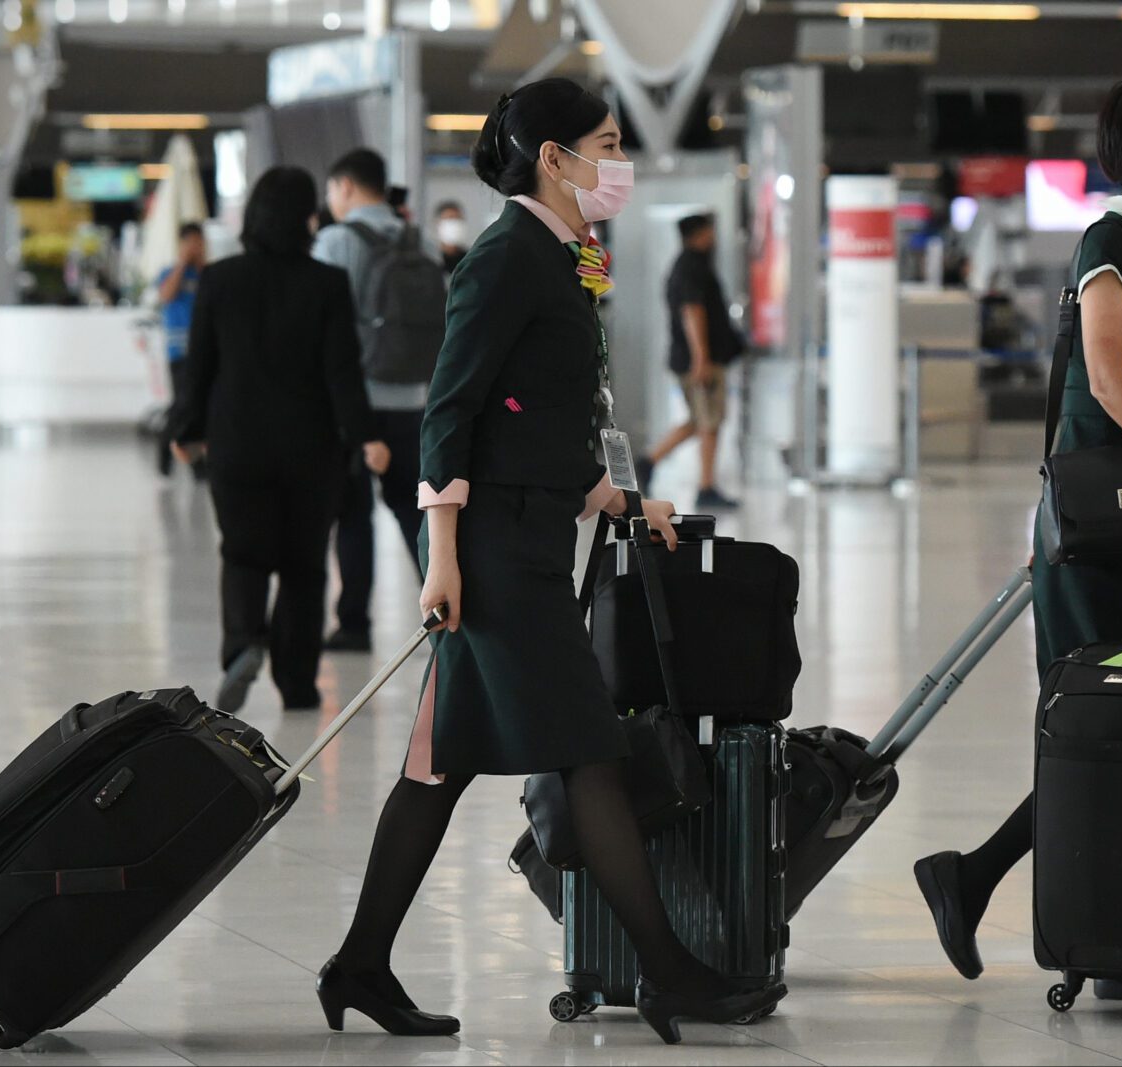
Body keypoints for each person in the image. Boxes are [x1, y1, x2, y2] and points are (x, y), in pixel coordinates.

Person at [317, 77, 785, 1045]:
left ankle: (358, 961)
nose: (619, 162)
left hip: (524, 534)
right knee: (587, 749)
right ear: (553, 157)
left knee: (435, 767)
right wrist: (439, 556)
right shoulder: (507, 256)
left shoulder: (561, 254)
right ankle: (667, 970)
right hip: (491, 557)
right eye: (606, 143)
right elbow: (450, 413)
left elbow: (535, 418)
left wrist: (618, 497)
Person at [912, 79, 1122, 985]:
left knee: (1119, 729)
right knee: (1101, 730)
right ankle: (1002, 890)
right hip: (1099, 532)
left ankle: (1029, 899)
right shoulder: (1110, 242)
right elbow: (1104, 380)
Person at [169, 166, 391, 714]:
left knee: (243, 553)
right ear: (306, 219)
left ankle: (244, 643)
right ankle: (297, 682)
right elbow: (343, 372)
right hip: (311, 450)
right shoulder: (326, 283)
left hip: (237, 445)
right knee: (304, 567)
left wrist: (185, 429)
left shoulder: (220, 280)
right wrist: (366, 436)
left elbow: (199, 367)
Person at [316, 148, 440, 654]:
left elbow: (321, 327)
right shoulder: (421, 240)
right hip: (413, 396)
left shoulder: (334, 241)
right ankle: (443, 607)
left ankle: (354, 624)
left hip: (354, 401)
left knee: (352, 515)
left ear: (344, 186)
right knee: (417, 514)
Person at [637, 214, 744, 509]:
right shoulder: (692, 267)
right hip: (699, 360)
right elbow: (692, 312)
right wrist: (702, 358)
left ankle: (649, 461)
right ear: (700, 234)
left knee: (699, 420)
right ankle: (706, 486)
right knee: (709, 421)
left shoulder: (684, 265)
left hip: (690, 357)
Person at [156, 222, 208, 478]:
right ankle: (165, 456)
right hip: (178, 351)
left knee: (200, 405)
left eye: (199, 242)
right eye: (190, 242)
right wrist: (182, 264)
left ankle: (198, 465)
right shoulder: (169, 272)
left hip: (203, 351)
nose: (195, 247)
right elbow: (165, 295)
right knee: (181, 405)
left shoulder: (208, 274)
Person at [431, 200, 469, 274]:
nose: (455, 224)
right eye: (450, 218)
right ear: (438, 224)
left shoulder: (470, 260)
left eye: (458, 219)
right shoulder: (431, 260)